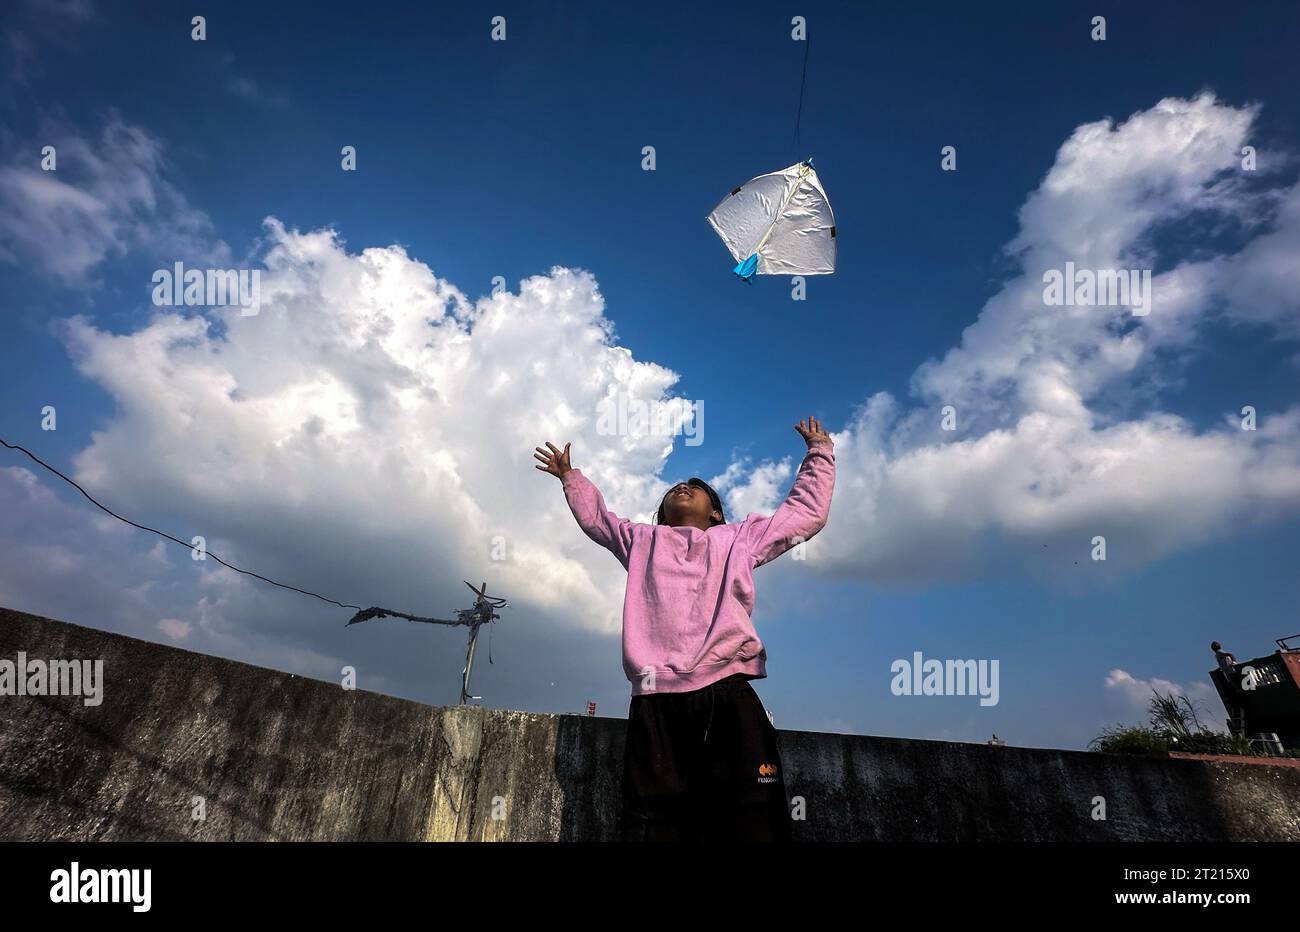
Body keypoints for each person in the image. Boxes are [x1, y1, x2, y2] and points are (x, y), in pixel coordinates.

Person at [533, 417, 835, 841]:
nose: (682, 487)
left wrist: (819, 453)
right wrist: (570, 476)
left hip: (727, 686)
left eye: (696, 487)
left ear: (715, 511)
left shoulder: (739, 538)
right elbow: (598, 520)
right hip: (657, 697)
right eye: (673, 489)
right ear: (661, 516)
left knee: (756, 805)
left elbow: (804, 515)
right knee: (651, 814)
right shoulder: (641, 540)